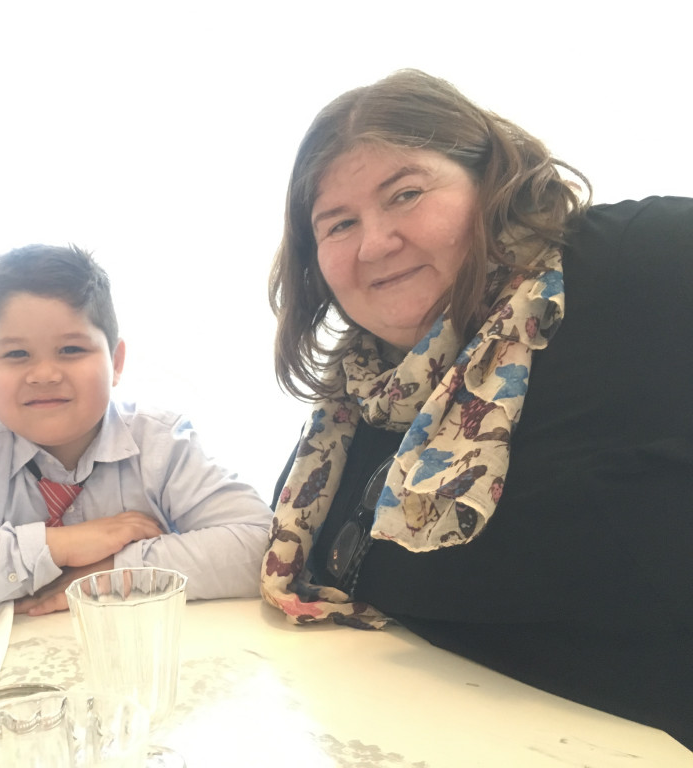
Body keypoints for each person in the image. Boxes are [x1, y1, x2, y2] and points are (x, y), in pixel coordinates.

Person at [260, 69, 693, 749]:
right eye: (339, 224)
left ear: (491, 178)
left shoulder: (638, 263)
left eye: (406, 194)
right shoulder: (357, 401)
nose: (375, 243)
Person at [0, 244, 272, 624]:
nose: (43, 374)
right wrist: (60, 545)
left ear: (116, 362)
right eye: (16, 354)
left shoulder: (162, 444)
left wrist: (113, 570)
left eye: (71, 350)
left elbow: (262, 547)